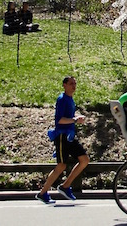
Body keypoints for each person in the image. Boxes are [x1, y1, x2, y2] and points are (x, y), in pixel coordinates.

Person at [36, 76, 89, 204]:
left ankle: (65, 186)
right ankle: (42, 193)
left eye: (75, 83)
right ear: (64, 85)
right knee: (61, 165)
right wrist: (75, 120)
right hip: (62, 136)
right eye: (71, 83)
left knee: (84, 160)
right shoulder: (62, 99)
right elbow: (59, 120)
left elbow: (69, 117)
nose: (74, 86)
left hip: (69, 136)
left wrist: (76, 118)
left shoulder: (70, 99)